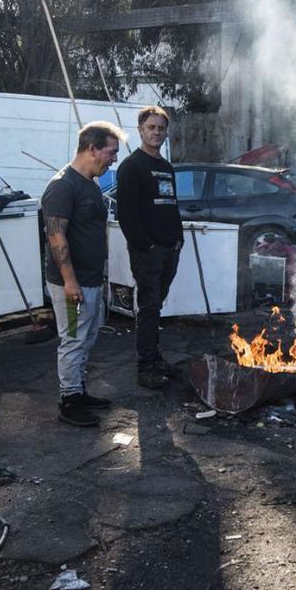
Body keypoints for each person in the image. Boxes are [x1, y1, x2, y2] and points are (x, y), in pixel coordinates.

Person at [41, 121, 126, 427]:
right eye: (111, 152)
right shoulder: (63, 186)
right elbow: (56, 237)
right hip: (72, 284)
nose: (114, 159)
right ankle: (69, 401)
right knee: (73, 338)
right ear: (92, 149)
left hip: (91, 280)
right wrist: (69, 281)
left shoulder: (89, 183)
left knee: (87, 336)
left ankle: (78, 390)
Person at [117, 106, 183, 389]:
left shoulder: (166, 167)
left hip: (171, 249)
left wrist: (178, 238)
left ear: (166, 133)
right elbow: (127, 215)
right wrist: (146, 245)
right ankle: (145, 367)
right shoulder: (132, 166)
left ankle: (155, 358)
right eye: (151, 127)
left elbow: (172, 206)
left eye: (160, 128)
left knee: (156, 307)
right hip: (148, 253)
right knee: (147, 307)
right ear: (141, 130)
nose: (156, 132)